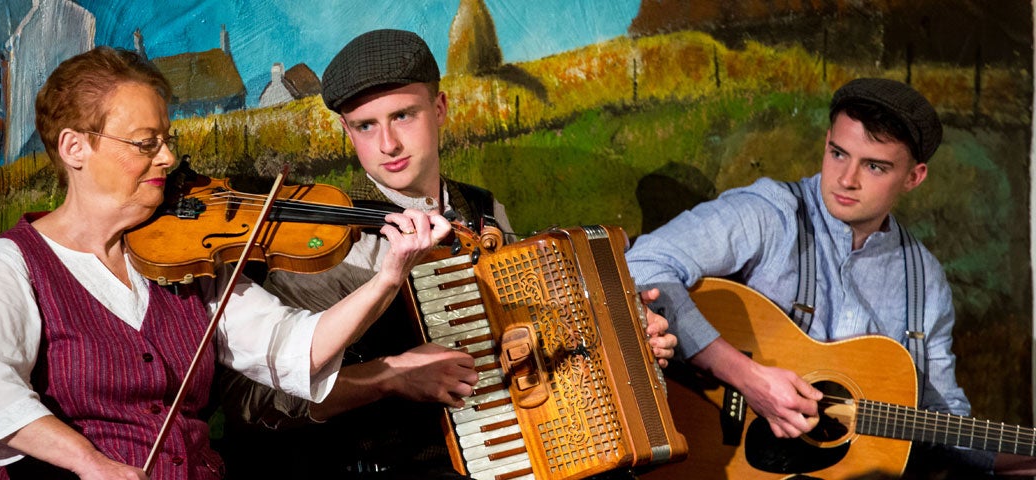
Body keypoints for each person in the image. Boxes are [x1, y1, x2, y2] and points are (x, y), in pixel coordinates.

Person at [0, 46, 451, 480]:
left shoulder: (187, 256)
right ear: (75, 147)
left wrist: (389, 277)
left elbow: (296, 350)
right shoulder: (17, 261)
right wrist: (90, 463)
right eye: (146, 143)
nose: (167, 158)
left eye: (167, 140)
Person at [215, 29, 678, 479]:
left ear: (439, 108)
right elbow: (250, 405)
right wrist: (387, 377)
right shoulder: (329, 241)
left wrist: (624, 343)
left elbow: (518, 340)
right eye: (365, 126)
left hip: (512, 451)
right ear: (345, 129)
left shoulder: (483, 209)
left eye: (403, 116)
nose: (388, 145)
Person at [625, 77, 1036, 475]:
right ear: (826, 143)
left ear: (914, 177)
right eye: (838, 153)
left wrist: (1017, 459)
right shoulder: (769, 214)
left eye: (874, 166)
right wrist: (745, 377)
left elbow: (944, 425)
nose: (846, 179)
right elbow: (641, 263)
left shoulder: (924, 281)